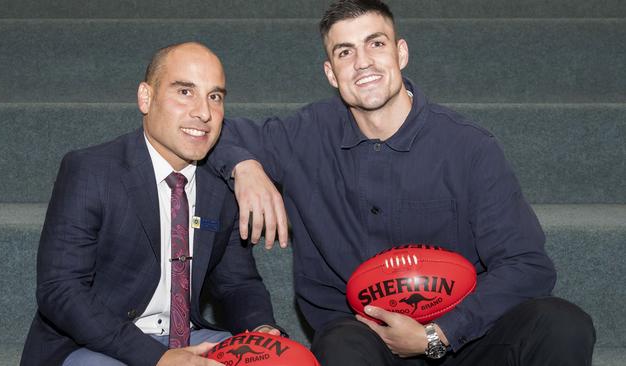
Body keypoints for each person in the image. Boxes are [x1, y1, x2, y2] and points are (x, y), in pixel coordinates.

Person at [209, 1, 596, 365]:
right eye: (345, 52)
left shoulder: (468, 147)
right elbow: (209, 131)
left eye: (375, 44)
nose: (363, 63)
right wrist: (245, 167)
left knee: (563, 325)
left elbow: (528, 264)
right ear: (330, 72)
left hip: (465, 337)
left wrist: (439, 333)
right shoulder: (305, 134)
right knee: (340, 345)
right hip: (364, 339)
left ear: (401, 53)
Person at [20, 42, 283, 366]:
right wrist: (158, 358)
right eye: (185, 92)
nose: (203, 112)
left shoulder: (221, 186)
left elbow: (237, 283)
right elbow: (60, 291)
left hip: (190, 338)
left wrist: (261, 328)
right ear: (146, 97)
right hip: (96, 344)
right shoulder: (91, 170)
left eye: (214, 96)